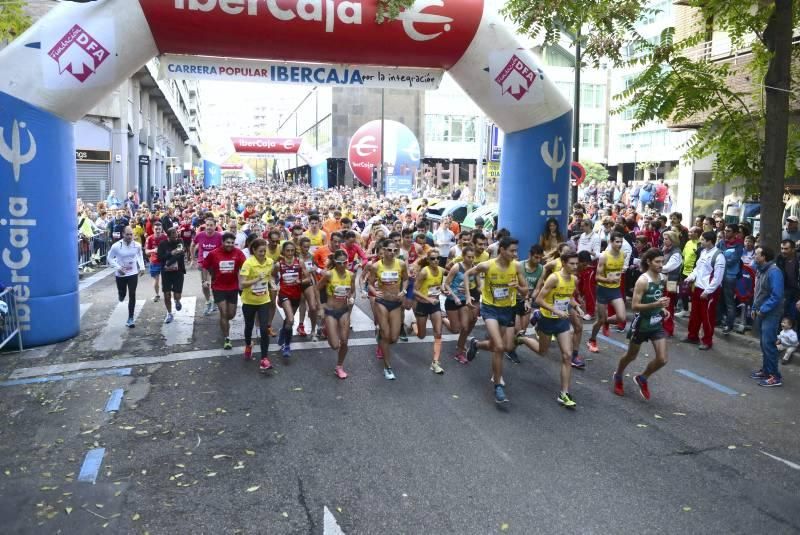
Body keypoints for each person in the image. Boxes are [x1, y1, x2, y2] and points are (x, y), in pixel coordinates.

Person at [465, 237, 530, 404]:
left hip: (507, 309)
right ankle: (497, 386)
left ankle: (476, 344)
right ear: (502, 250)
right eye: (512, 251)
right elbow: (467, 274)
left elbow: (525, 291)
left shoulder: (516, 266)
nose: (515, 254)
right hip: (490, 308)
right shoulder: (487, 265)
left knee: (500, 346)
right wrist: (468, 296)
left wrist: (517, 287)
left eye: (516, 251)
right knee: (500, 347)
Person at [516, 251, 583, 408]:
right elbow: (539, 299)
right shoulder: (554, 278)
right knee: (542, 351)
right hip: (547, 319)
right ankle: (523, 338)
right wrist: (556, 310)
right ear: (564, 263)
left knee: (567, 356)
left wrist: (577, 306)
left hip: (562, 322)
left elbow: (569, 297)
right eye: (572, 263)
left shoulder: (574, 279)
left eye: (576, 263)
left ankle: (564, 393)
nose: (575, 266)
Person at [613, 248, 671, 399]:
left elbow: (657, 298)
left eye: (662, 261)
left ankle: (642, 377)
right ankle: (618, 375)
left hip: (656, 322)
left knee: (662, 359)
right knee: (631, 355)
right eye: (657, 262)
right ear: (648, 262)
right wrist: (656, 305)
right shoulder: (643, 280)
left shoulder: (663, 278)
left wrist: (662, 308)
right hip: (641, 323)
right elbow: (635, 306)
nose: (661, 265)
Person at [368, 238, 409, 380]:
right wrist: (374, 291)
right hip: (382, 302)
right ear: (383, 250)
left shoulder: (401, 264)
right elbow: (370, 283)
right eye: (389, 250)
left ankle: (380, 336)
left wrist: (403, 291)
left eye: (395, 250)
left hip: (396, 302)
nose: (392, 253)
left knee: (394, 338)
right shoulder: (376, 266)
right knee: (386, 334)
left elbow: (405, 279)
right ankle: (387, 366)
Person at [682, 231, 725, 350]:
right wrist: (690, 277)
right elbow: (698, 268)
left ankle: (707, 341)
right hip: (697, 288)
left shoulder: (719, 256)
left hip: (708, 292)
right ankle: (692, 336)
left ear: (709, 241)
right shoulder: (703, 252)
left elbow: (717, 278)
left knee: (707, 317)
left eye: (702, 240)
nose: (700, 242)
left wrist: (707, 291)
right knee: (694, 315)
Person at [204, 232, 247, 350]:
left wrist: (244, 282)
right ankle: (227, 338)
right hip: (218, 287)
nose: (230, 245)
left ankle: (224, 323)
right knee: (223, 313)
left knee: (231, 314)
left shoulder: (238, 253)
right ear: (222, 242)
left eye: (232, 243)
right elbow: (205, 265)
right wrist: (206, 279)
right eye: (228, 242)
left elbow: (245, 267)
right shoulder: (214, 254)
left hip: (233, 287)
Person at [318, 249, 356, 379]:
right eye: (339, 263)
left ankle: (339, 366)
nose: (343, 265)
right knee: (335, 345)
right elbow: (317, 289)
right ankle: (327, 329)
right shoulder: (329, 275)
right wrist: (321, 307)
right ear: (335, 262)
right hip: (330, 310)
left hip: (344, 310)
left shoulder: (351, 275)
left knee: (344, 341)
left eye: (345, 262)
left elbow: (353, 291)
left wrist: (351, 298)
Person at [587, 232, 627, 353]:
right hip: (603, 290)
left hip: (615, 289)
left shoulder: (623, 255)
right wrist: (608, 279)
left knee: (622, 317)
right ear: (611, 242)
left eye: (621, 242)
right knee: (600, 319)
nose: (619, 244)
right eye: (617, 242)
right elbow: (597, 277)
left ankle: (607, 322)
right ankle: (592, 340)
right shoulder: (604, 256)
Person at [238, 238, 275, 372]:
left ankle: (264, 358)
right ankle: (248, 344)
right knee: (249, 327)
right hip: (249, 301)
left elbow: (270, 276)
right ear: (253, 250)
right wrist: (257, 279)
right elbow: (242, 284)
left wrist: (272, 283)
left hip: (263, 300)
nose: (263, 253)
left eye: (264, 251)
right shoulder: (248, 263)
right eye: (260, 251)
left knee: (264, 329)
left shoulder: (270, 262)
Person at [750, 246, 785, 387]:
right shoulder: (761, 270)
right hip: (761, 311)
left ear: (764, 257)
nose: (754, 256)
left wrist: (763, 309)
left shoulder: (774, 272)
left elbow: (776, 296)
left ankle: (774, 376)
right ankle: (766, 370)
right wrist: (754, 307)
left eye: (757, 254)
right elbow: (758, 292)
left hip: (771, 312)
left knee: (769, 344)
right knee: (764, 343)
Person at [272, 240, 310, 359]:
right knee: (291, 319)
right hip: (284, 294)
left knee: (288, 321)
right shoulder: (279, 264)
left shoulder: (299, 262)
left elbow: (308, 278)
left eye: (292, 250)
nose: (289, 252)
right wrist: (274, 285)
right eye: (287, 250)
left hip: (296, 295)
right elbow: (272, 276)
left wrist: (300, 281)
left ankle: (283, 331)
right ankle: (287, 345)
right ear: (283, 251)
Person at [412, 248, 446, 374]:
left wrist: (444, 290)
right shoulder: (424, 273)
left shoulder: (441, 271)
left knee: (438, 332)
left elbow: (438, 286)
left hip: (435, 305)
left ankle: (435, 362)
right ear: (428, 260)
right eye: (432, 258)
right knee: (422, 335)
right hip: (423, 305)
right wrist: (428, 299)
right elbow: (415, 290)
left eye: (438, 258)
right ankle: (413, 325)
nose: (436, 260)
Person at [442, 244, 477, 364]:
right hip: (452, 301)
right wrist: (455, 296)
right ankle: (443, 319)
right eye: (469, 257)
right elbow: (446, 284)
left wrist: (468, 294)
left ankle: (459, 351)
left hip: (463, 301)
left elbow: (473, 284)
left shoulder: (474, 268)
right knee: (455, 329)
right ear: (463, 256)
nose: (471, 259)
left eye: (473, 257)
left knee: (465, 327)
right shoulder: (457, 267)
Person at [107, 226, 145, 328]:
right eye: (127, 234)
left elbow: (140, 255)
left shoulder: (137, 245)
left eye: (131, 234)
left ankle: (130, 318)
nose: (129, 236)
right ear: (123, 234)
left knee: (132, 294)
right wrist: (118, 268)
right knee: (122, 293)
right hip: (120, 274)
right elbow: (109, 258)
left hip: (132, 273)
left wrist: (142, 267)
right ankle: (121, 294)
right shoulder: (116, 246)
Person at [191, 215, 223, 316]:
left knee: (214, 284)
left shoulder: (219, 236)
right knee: (204, 284)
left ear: (215, 226)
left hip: (215, 264)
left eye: (211, 225)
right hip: (203, 263)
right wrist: (193, 259)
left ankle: (214, 301)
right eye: (207, 225)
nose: (209, 227)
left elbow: (224, 249)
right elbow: (192, 245)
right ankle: (208, 301)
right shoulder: (200, 235)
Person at [717, 223, 743, 334]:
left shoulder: (739, 245)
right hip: (720, 274)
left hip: (730, 276)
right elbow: (716, 254)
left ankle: (729, 324)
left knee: (729, 301)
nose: (726, 233)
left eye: (729, 231)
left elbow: (734, 260)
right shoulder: (722, 242)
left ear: (735, 233)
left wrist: (721, 262)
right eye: (725, 230)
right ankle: (718, 319)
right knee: (719, 298)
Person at [156, 227, 186, 324]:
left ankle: (177, 301)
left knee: (177, 294)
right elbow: (160, 258)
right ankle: (169, 313)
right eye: (173, 237)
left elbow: (180, 254)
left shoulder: (180, 241)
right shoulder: (162, 244)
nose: (175, 238)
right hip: (166, 273)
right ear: (168, 237)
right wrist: (171, 253)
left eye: (176, 235)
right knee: (167, 294)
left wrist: (168, 263)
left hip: (178, 271)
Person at [576, 219, 601, 320]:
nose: (581, 228)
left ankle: (591, 312)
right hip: (580, 265)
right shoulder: (582, 236)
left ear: (589, 226)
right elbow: (579, 249)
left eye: (583, 226)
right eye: (581, 226)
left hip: (590, 266)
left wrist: (587, 262)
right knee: (579, 287)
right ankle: (577, 308)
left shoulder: (596, 237)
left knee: (589, 290)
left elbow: (596, 253)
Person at [660, 231, 682, 337]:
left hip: (670, 283)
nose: (664, 241)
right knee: (662, 305)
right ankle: (662, 326)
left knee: (668, 306)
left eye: (666, 239)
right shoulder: (665, 249)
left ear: (672, 240)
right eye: (664, 239)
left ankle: (668, 329)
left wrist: (655, 267)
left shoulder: (676, 253)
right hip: (663, 281)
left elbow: (668, 267)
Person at [676, 226, 701, 318]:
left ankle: (694, 312)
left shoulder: (700, 245)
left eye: (691, 232)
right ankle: (685, 310)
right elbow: (684, 256)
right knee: (684, 292)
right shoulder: (688, 242)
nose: (689, 233)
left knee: (693, 294)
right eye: (689, 232)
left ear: (697, 234)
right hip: (684, 272)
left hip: (693, 274)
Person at [776, 240, 799, 322]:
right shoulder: (780, 258)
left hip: (797, 291)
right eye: (782, 248)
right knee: (783, 315)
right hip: (785, 290)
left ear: (793, 249)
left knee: (795, 316)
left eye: (786, 249)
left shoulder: (798, 259)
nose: (783, 251)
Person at [145, 221, 167, 303]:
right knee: (156, 280)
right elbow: (146, 252)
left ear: (162, 229)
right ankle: (157, 295)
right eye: (156, 229)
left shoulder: (165, 237)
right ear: (153, 229)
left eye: (159, 229)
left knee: (166, 280)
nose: (158, 231)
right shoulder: (149, 238)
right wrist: (154, 250)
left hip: (165, 261)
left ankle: (167, 293)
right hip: (154, 262)